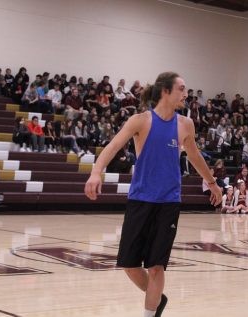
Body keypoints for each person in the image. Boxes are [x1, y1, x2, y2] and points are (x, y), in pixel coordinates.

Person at [84, 72, 222, 317]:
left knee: (157, 267)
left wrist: (211, 183)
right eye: (181, 89)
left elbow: (194, 156)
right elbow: (114, 145)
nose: (186, 94)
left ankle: (150, 311)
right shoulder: (141, 120)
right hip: (140, 200)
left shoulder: (185, 124)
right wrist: (96, 172)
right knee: (129, 265)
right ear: (165, 91)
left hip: (168, 203)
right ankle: (157, 298)